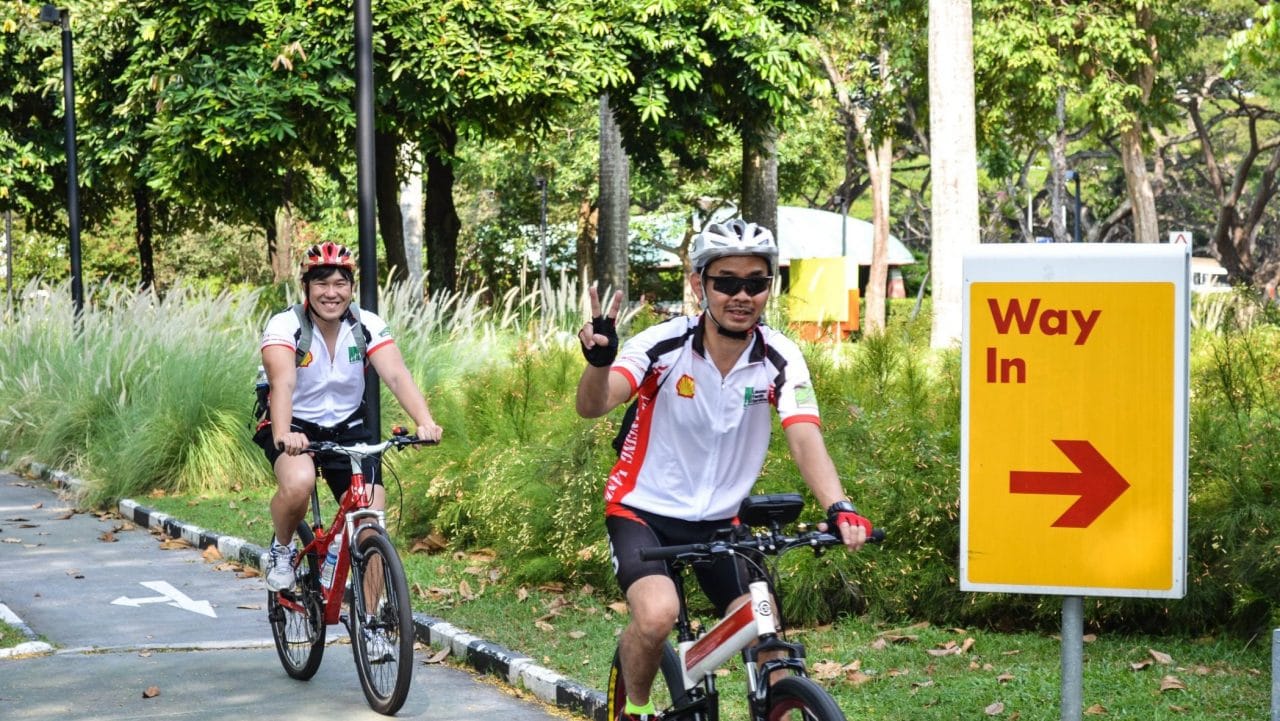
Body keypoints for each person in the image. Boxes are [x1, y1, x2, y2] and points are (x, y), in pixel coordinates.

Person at [575, 219, 873, 721]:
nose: (741, 296)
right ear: (700, 285)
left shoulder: (779, 356)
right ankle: (636, 708)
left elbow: (804, 436)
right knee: (657, 615)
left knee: (765, 629)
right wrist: (598, 362)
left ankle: (775, 700)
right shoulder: (663, 345)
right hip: (642, 512)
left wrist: (839, 506)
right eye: (726, 282)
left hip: (721, 521)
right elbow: (594, 405)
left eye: (755, 283)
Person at [255, 241, 443, 592]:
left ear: (351, 287)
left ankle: (372, 617)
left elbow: (396, 375)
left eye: (340, 283)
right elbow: (283, 382)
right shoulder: (285, 325)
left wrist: (425, 421)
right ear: (306, 287)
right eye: (321, 283)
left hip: (348, 427)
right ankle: (282, 547)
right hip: (294, 424)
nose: (331, 293)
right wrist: (283, 433)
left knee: (370, 522)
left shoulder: (366, 324)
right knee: (299, 482)